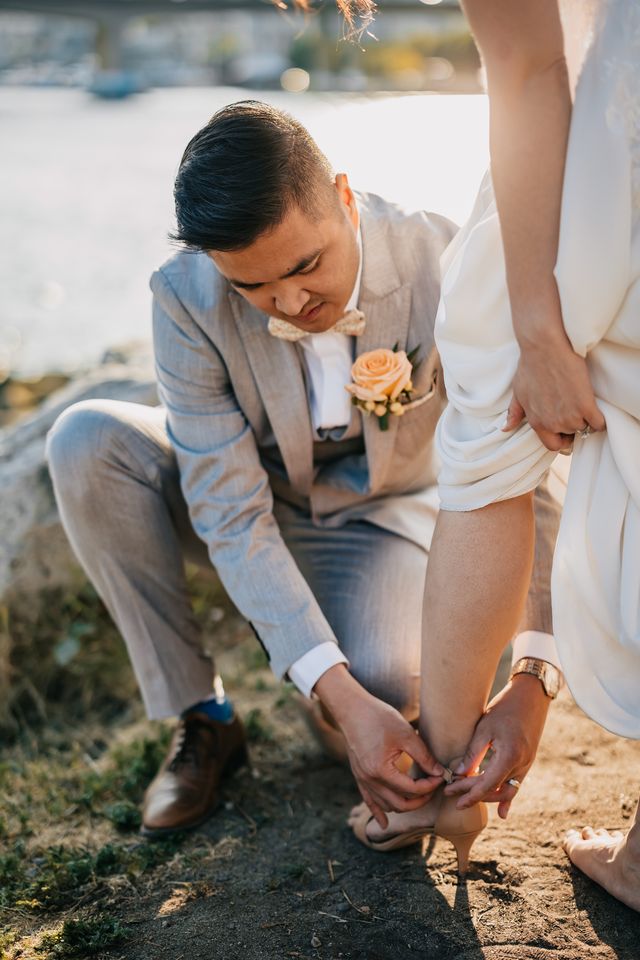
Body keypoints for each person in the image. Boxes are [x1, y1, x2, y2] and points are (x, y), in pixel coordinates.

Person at [46, 102, 562, 862]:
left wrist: (535, 670)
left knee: (386, 691)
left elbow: (524, 468)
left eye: (304, 266)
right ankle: (206, 717)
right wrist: (339, 698)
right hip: (246, 497)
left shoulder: (443, 263)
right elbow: (227, 511)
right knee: (87, 440)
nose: (289, 303)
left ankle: (335, 677)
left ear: (345, 200)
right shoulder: (183, 295)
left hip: (382, 517)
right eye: (254, 286)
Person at [340, 0, 640, 909]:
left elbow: (526, 68)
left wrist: (538, 323)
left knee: (489, 420)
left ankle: (444, 791)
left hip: (614, 141)